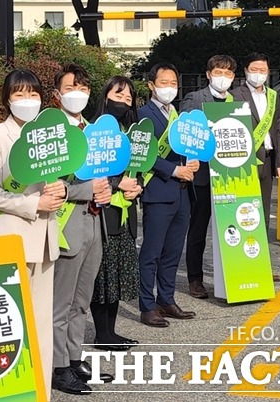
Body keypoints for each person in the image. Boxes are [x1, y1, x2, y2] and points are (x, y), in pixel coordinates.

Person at [0, 69, 63, 400]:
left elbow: (60, 179)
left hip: (45, 240)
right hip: (12, 237)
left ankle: (39, 392)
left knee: (42, 326)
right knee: (9, 322)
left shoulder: (49, 136)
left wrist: (61, 190)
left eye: (33, 94)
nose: (27, 101)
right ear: (7, 99)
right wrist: (34, 202)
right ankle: (8, 391)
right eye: (19, 94)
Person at [50, 63, 114, 395]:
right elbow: (52, 186)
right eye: (71, 87)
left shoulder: (93, 130)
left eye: (84, 88)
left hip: (94, 221)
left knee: (81, 300)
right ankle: (58, 367)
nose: (78, 93)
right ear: (57, 94)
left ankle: (74, 359)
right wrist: (88, 190)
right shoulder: (51, 133)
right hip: (66, 224)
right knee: (60, 303)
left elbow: (106, 174)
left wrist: (112, 187)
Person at [137, 63, 199, 328]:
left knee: (173, 252)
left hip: (183, 193)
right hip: (158, 192)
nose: (169, 87)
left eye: (173, 82)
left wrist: (192, 162)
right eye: (164, 82)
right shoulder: (144, 115)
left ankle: (166, 299)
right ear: (151, 85)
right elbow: (144, 154)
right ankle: (147, 306)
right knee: (151, 252)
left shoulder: (180, 115)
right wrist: (175, 170)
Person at [90, 76, 142, 349]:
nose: (124, 101)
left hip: (125, 212)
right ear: (105, 96)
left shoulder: (131, 133)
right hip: (103, 212)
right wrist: (116, 183)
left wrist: (138, 187)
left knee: (118, 275)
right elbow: (87, 173)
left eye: (128, 97)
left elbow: (141, 169)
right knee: (103, 275)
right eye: (118, 94)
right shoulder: (93, 131)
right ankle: (102, 333)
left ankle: (111, 331)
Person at [180, 55, 237, 299]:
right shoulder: (195, 99)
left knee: (232, 229)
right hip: (202, 175)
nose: (222, 77)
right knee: (198, 230)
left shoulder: (236, 102)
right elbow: (182, 132)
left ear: (234, 77)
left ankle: (235, 277)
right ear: (208, 74)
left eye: (228, 73)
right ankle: (195, 279)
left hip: (229, 175)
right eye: (218, 72)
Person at [231, 53, 280, 282]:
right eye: (254, 69)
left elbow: (279, 130)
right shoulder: (235, 95)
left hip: (269, 158)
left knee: (262, 214)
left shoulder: (273, 96)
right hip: (246, 161)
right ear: (245, 71)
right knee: (243, 212)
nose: (258, 74)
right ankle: (241, 264)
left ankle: (261, 264)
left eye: (262, 70)